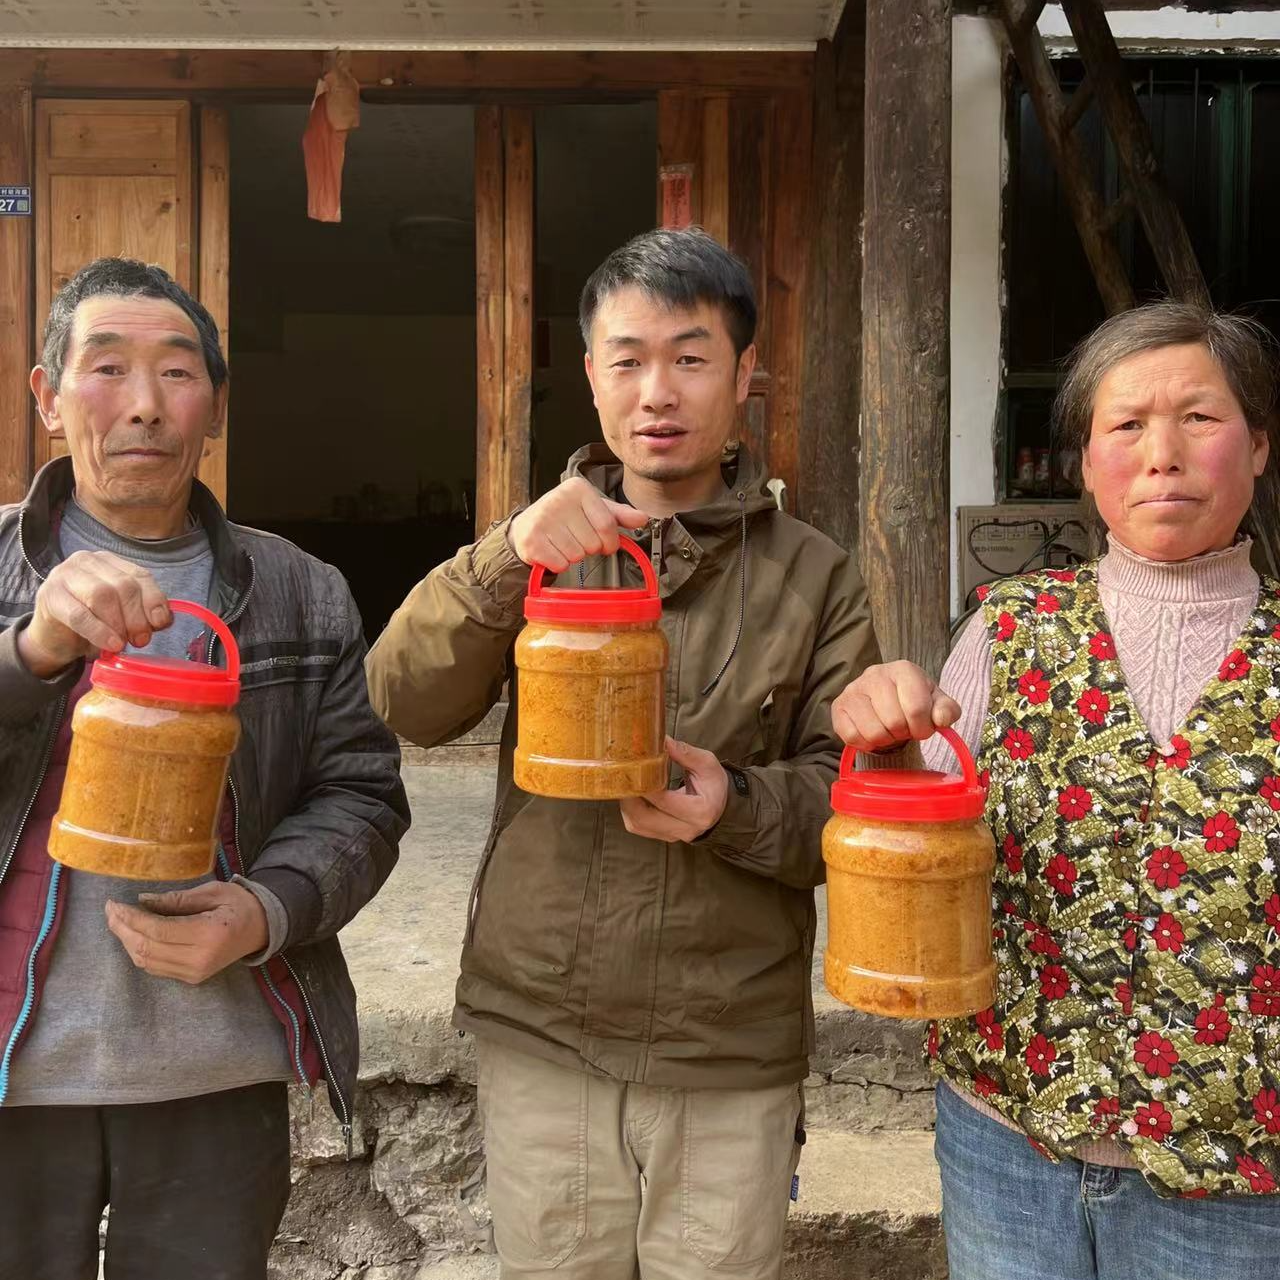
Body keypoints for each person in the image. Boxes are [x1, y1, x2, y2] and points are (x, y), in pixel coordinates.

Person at [366, 227, 880, 1279]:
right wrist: (508, 555)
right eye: (627, 358)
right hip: (545, 1012)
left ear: (743, 376)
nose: (657, 389)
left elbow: (849, 790)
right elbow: (403, 700)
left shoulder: (813, 574)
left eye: (690, 358)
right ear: (589, 374)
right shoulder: (534, 549)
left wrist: (731, 802)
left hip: (725, 1029)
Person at [832, 301, 1280, 1280]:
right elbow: (929, 823)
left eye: (1197, 418)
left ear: (1255, 446)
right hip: (1007, 1143)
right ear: (1084, 463)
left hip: (1236, 1178)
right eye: (1124, 425)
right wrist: (883, 738)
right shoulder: (1010, 626)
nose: (1160, 451)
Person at [0, 258, 409, 1280]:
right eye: (107, 368)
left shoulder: (299, 592)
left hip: (214, 1069)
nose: (143, 404)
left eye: (177, 374)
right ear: (47, 396)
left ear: (214, 409)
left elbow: (360, 791)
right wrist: (30, 652)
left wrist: (266, 908)